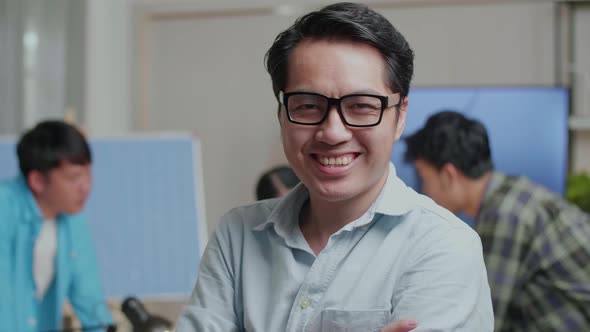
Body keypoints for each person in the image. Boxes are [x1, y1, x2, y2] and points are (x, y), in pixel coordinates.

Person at [176, 3, 493, 331]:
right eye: (309, 105)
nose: (333, 133)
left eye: (361, 106)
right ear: (282, 114)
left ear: (399, 117)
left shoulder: (443, 246)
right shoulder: (238, 236)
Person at [404, 110, 590, 331]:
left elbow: (484, 318)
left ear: (448, 175)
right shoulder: (514, 195)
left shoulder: (505, 215)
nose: (424, 190)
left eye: (424, 179)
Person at [0, 120, 113, 331]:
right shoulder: (4, 209)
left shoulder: (72, 215)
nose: (86, 187)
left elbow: (90, 301)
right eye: (74, 178)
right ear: (38, 181)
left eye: (88, 174)